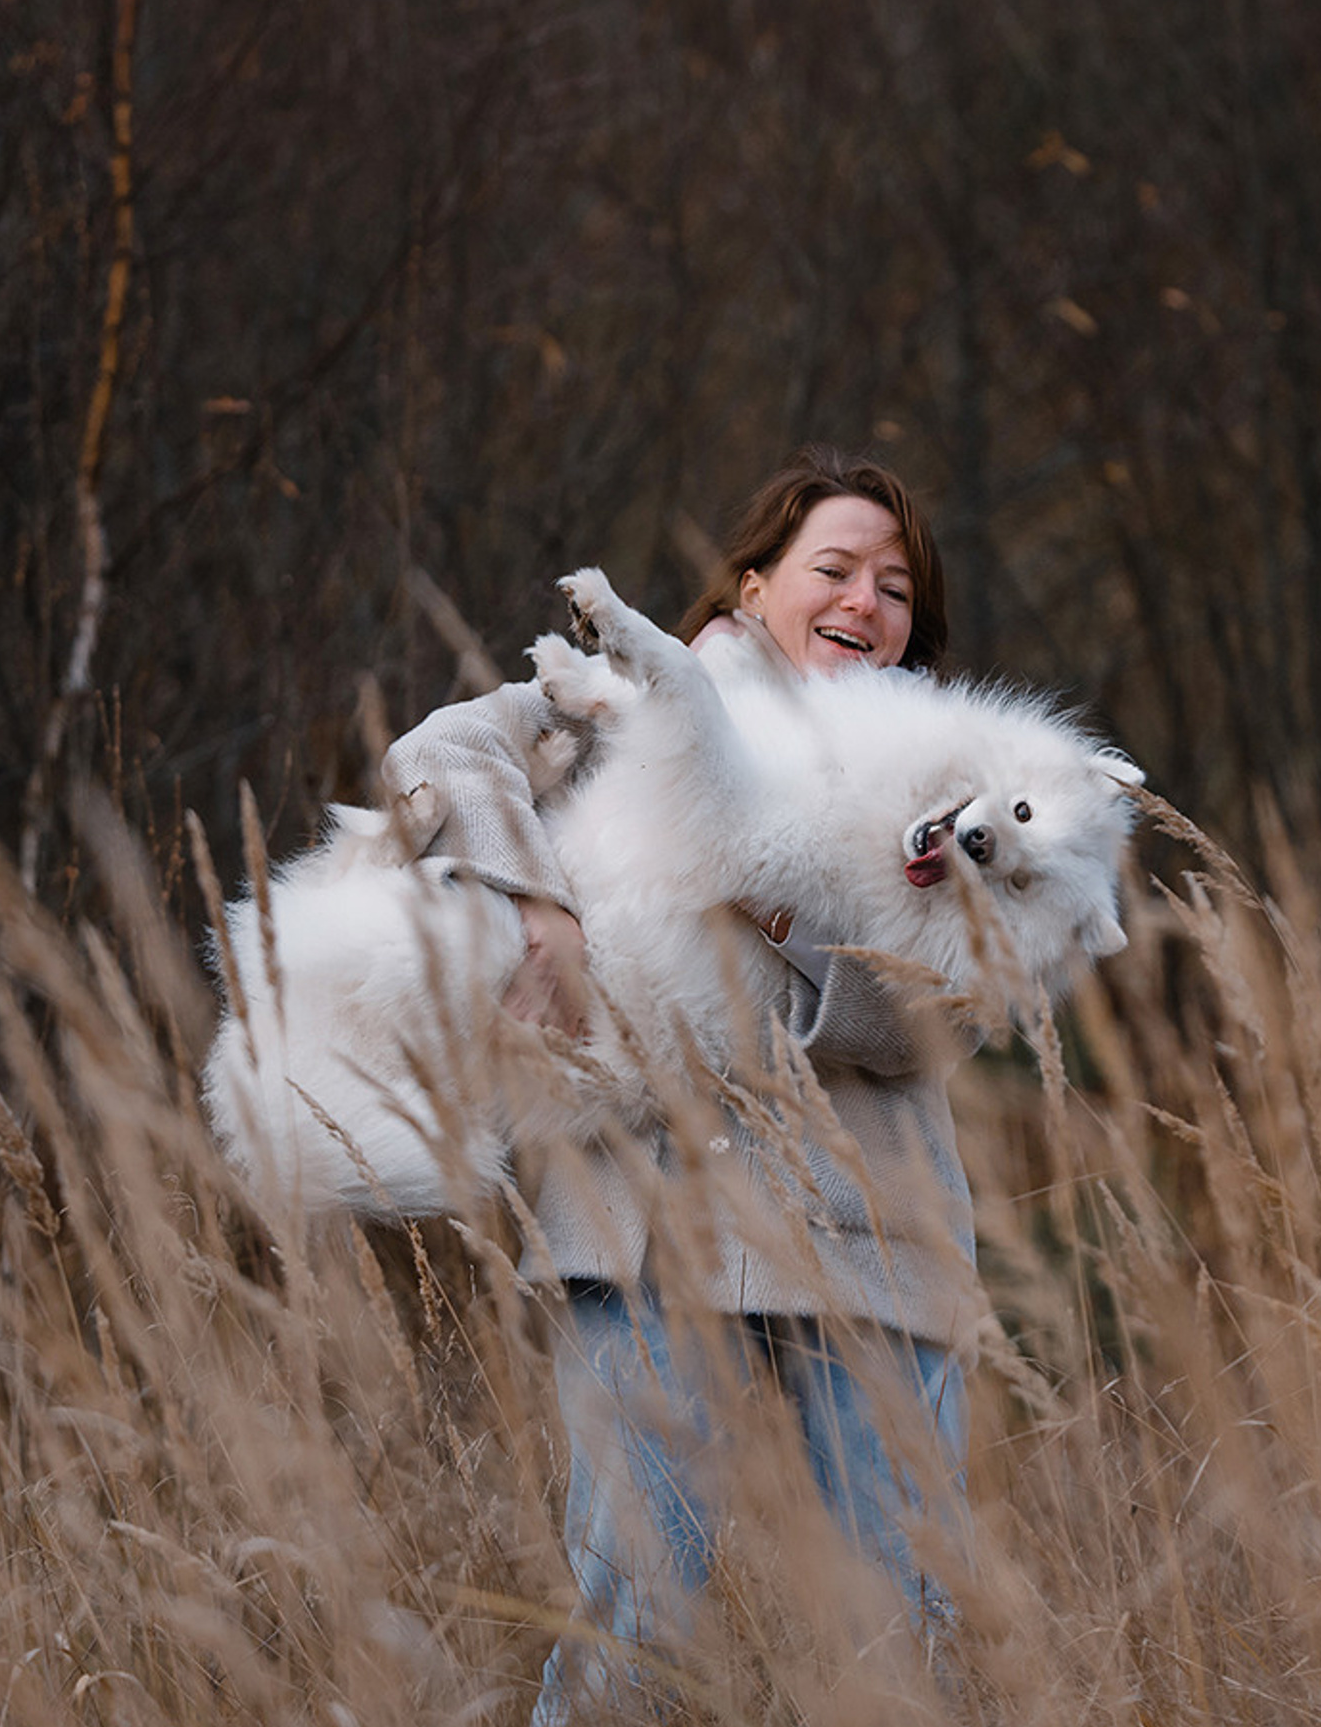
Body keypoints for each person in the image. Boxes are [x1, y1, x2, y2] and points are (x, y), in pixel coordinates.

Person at [376, 448, 978, 1716]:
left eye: (897, 588)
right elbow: (439, 752)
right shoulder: (628, 699)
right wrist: (537, 908)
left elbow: (940, 1014)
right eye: (837, 570)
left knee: (901, 1646)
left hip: (872, 1235)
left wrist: (766, 892)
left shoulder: (955, 776)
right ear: (756, 586)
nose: (869, 603)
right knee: (626, 1640)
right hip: (651, 1223)